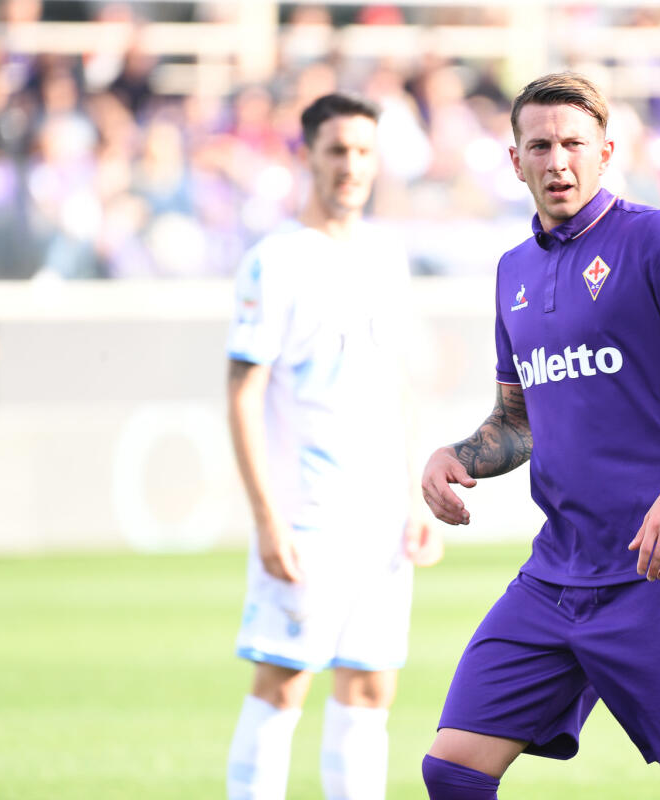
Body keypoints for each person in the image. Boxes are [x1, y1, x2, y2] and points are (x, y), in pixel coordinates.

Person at [419, 73, 660, 800]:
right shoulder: (513, 271)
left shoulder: (653, 239)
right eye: (538, 145)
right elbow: (518, 424)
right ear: (515, 161)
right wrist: (456, 455)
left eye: (573, 143)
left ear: (605, 152)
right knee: (451, 770)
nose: (557, 160)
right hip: (558, 577)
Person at [224, 92, 442, 800]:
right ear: (307, 157)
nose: (352, 166)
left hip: (381, 517)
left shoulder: (387, 255)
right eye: (337, 151)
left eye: (364, 152)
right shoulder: (274, 262)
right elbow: (243, 392)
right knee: (283, 686)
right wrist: (267, 520)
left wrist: (416, 498)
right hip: (308, 516)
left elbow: (400, 383)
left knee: (371, 690)